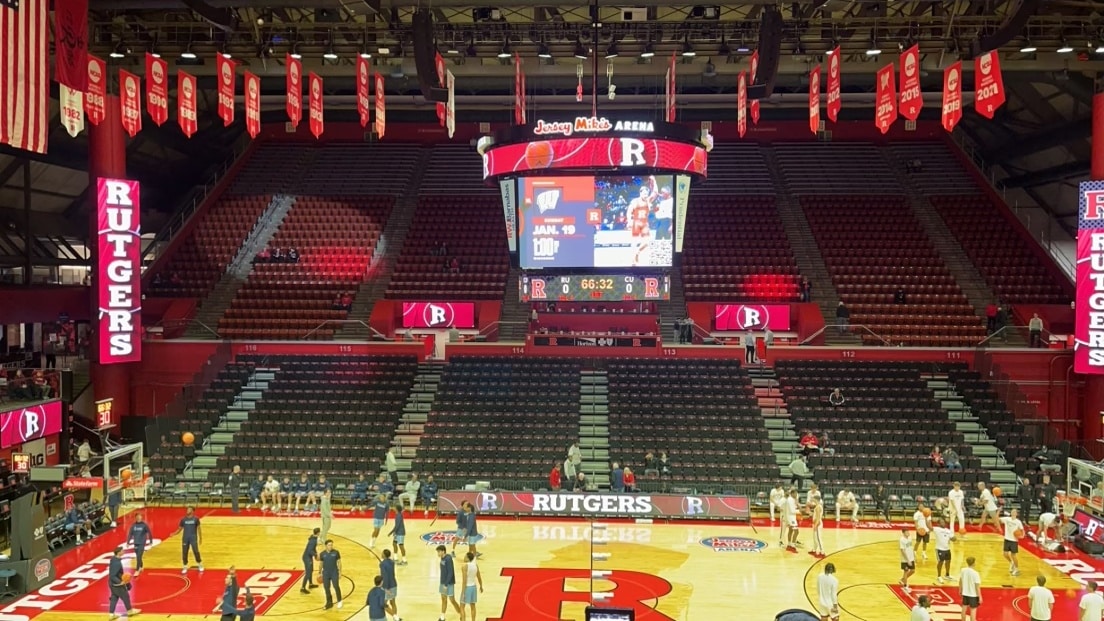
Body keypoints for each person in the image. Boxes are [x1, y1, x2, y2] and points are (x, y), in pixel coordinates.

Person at [107, 545, 140, 620]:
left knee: (114, 598)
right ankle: (130, 611)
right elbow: (112, 575)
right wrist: (121, 581)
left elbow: (115, 574)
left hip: (111, 583)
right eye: (122, 550)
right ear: (119, 552)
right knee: (125, 596)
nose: (123, 551)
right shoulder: (117, 563)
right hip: (116, 583)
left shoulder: (114, 559)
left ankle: (111, 615)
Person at [436, 545, 461, 621]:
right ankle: (442, 617)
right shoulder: (442, 558)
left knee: (452, 600)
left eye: (439, 551)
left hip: (449, 583)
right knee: (443, 599)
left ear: (443, 551)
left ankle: (461, 613)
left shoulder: (448, 558)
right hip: (442, 582)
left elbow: (450, 572)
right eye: (437, 552)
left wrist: (446, 584)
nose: (438, 553)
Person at [318, 539, 343, 610]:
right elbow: (321, 564)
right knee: (326, 588)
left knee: (336, 586)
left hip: (334, 572)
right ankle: (329, 603)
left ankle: (339, 600)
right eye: (329, 545)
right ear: (326, 546)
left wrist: (340, 573)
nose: (331, 546)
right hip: (325, 573)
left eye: (331, 545)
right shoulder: (322, 554)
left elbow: (339, 562)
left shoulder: (336, 552)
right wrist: (319, 573)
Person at [179, 506, 203, 573]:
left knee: (196, 551)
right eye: (187, 509)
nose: (187, 510)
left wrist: (200, 538)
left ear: (192, 511)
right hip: (185, 538)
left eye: (189, 509)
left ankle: (200, 564)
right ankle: (185, 566)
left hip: (193, 537)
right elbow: (180, 529)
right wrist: (174, 533)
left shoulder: (196, 519)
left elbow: (199, 529)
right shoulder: (183, 519)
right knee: (184, 552)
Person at [1001, 508, 1025, 577]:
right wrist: (998, 512)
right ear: (1011, 513)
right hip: (1007, 538)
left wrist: (1022, 536)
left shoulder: (1018, 522)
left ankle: (1016, 569)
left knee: (1013, 555)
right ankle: (1011, 562)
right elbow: (998, 519)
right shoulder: (1007, 519)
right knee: (1005, 554)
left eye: (1015, 512)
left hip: (1014, 540)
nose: (1013, 512)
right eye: (1012, 511)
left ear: (1016, 514)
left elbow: (1022, 530)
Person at [461, 551, 484, 621]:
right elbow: (479, 577)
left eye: (465, 556)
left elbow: (464, 581)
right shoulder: (475, 565)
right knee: (473, 606)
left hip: (467, 587)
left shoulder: (464, 566)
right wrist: (481, 586)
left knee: (462, 607)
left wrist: (463, 592)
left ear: (468, 558)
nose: (464, 557)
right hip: (474, 587)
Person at [932, 518, 955, 585]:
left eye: (944, 522)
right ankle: (939, 576)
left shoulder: (948, 530)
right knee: (940, 562)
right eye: (941, 522)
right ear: (938, 524)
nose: (943, 523)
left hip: (947, 549)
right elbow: (929, 527)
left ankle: (947, 575)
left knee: (948, 561)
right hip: (939, 549)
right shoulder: (936, 529)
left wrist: (954, 538)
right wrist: (928, 518)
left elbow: (953, 538)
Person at [960, 556, 982, 621]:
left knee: (964, 608)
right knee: (973, 611)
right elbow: (977, 587)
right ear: (974, 563)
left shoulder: (963, 570)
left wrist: (960, 589)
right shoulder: (976, 574)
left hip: (965, 593)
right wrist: (980, 596)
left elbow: (960, 581)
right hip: (973, 595)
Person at [380, 548, 399, 619]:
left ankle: (395, 617)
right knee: (393, 603)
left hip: (387, 586)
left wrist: (385, 588)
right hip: (394, 584)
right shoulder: (392, 562)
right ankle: (395, 617)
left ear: (384, 555)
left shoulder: (382, 564)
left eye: (382, 553)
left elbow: (385, 576)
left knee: (383, 604)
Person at [300, 527, 320, 594]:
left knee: (311, 570)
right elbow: (309, 551)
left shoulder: (313, 537)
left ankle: (310, 584)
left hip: (308, 557)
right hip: (307, 557)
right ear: (318, 533)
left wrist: (315, 553)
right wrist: (316, 555)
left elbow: (313, 548)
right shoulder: (313, 541)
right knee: (308, 573)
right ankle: (302, 588)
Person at [899, 529, 916, 594]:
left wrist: (914, 556)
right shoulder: (902, 540)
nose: (908, 533)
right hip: (905, 559)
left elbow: (911, 547)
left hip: (911, 558)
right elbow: (902, 551)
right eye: (906, 532)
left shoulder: (910, 538)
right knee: (905, 572)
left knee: (913, 570)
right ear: (903, 533)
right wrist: (907, 560)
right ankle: (905, 586)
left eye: (908, 531)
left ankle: (902, 579)